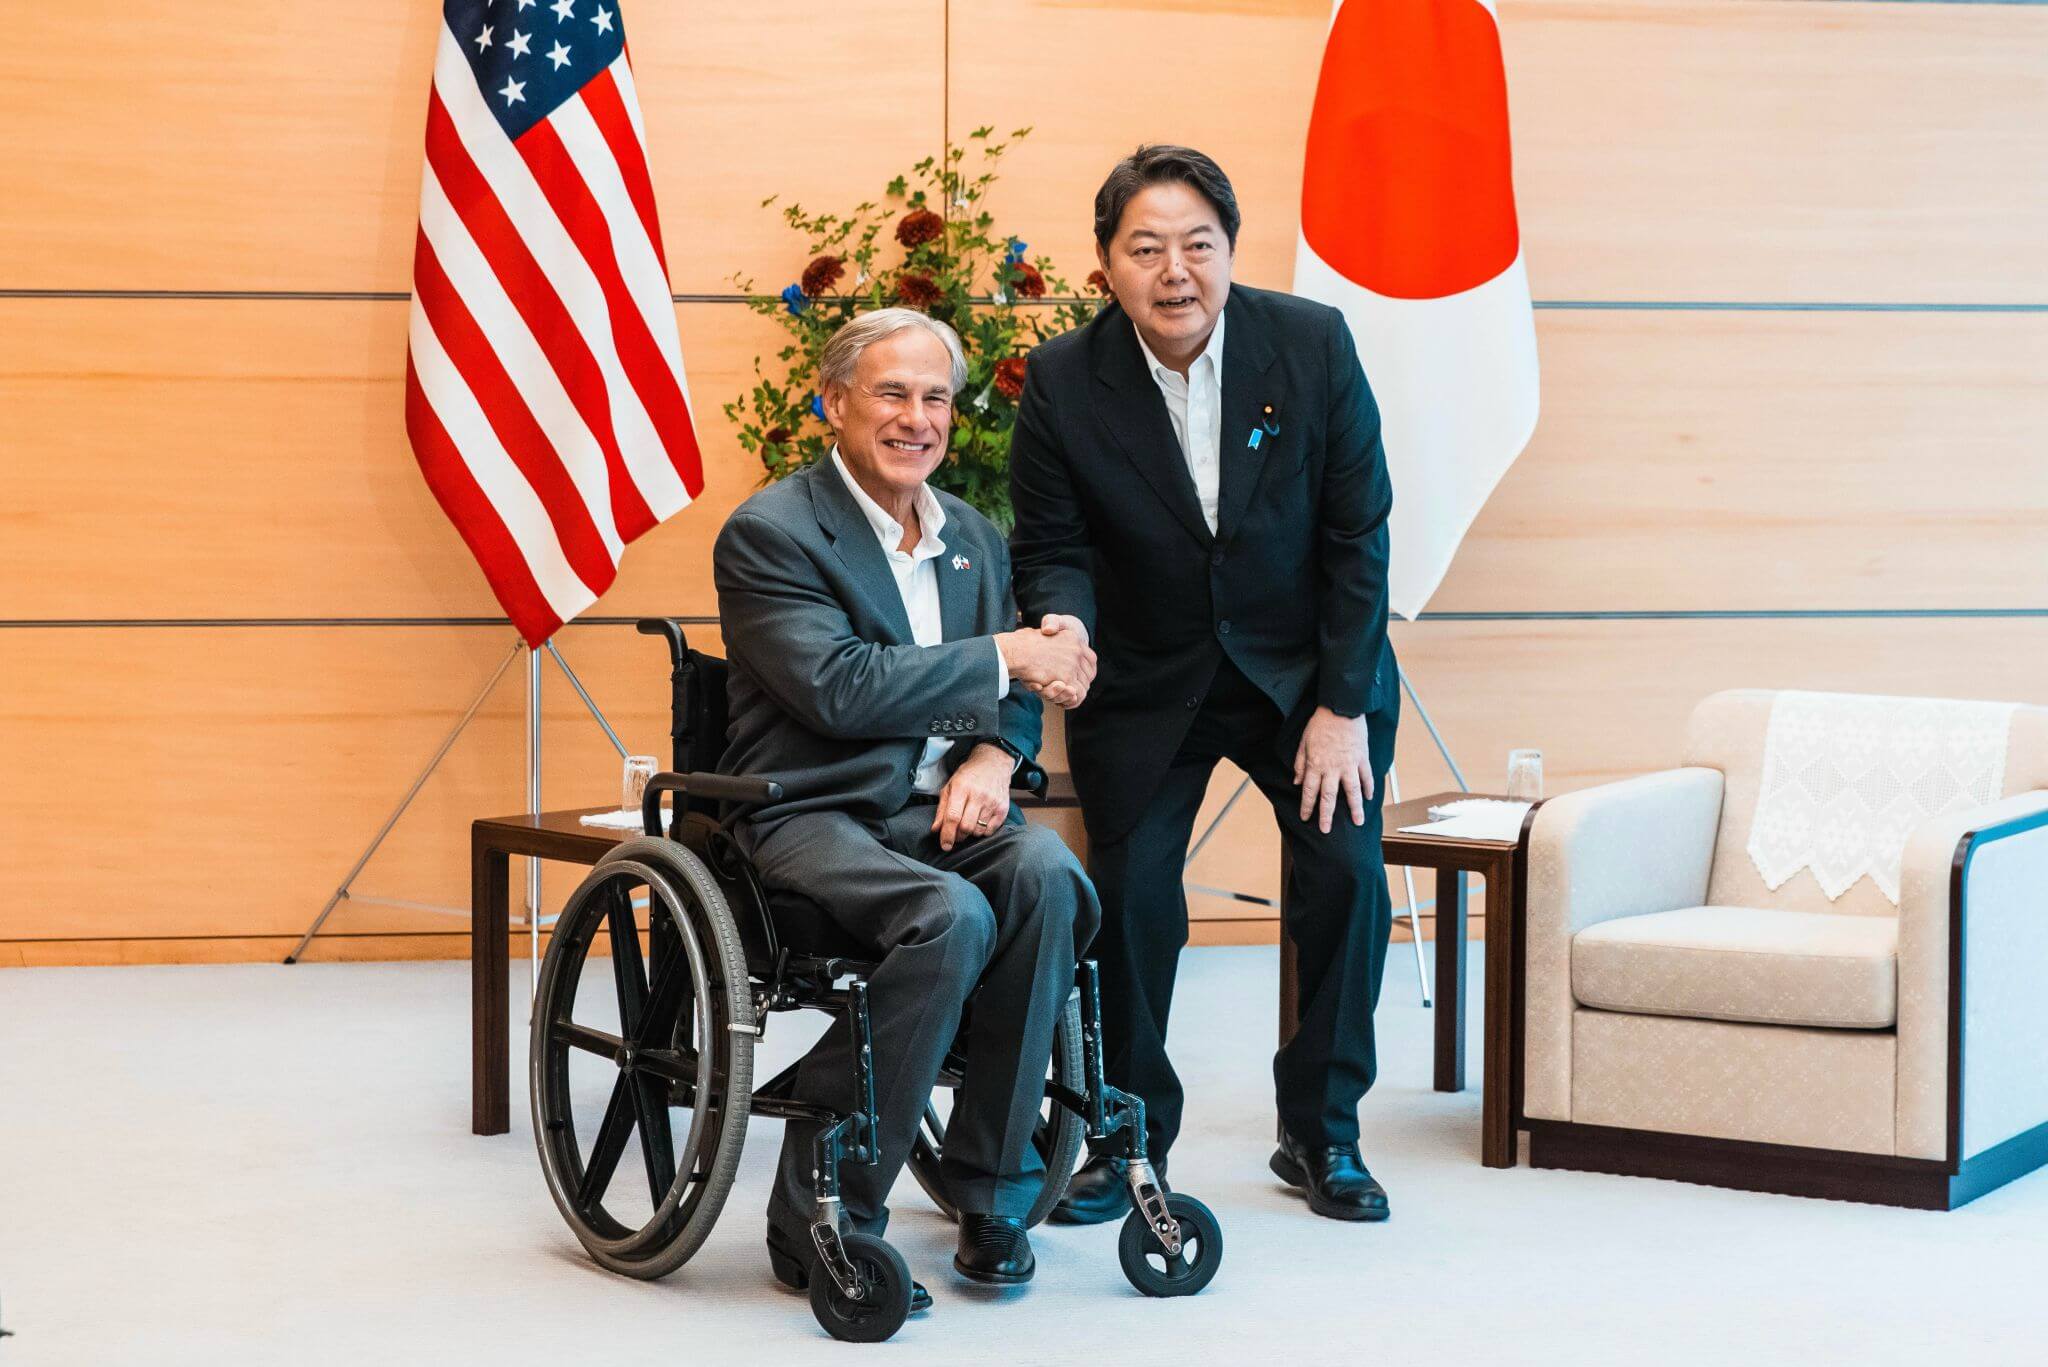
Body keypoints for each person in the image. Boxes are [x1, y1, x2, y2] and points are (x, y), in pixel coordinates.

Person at [1009, 145, 1399, 1224]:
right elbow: (1052, 544)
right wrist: (1064, 622)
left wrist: (1339, 704)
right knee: (1129, 900)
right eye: (1145, 248)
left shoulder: (1309, 342)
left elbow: (1356, 532)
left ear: (1230, 251)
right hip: (1146, 672)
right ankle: (1126, 1139)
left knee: (1343, 876)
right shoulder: (1060, 379)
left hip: (1304, 671)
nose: (1173, 270)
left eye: (1196, 244)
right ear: (1106, 266)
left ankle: (1321, 1132)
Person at [714, 307, 1102, 1301]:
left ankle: (992, 1191)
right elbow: (838, 687)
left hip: (941, 811)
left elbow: (1013, 701)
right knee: (949, 913)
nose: (916, 416)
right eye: (892, 391)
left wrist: (988, 752)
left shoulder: (971, 534)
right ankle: (822, 1207)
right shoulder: (772, 532)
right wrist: (1006, 654)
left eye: (935, 396)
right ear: (834, 399)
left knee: (1049, 876)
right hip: (813, 812)